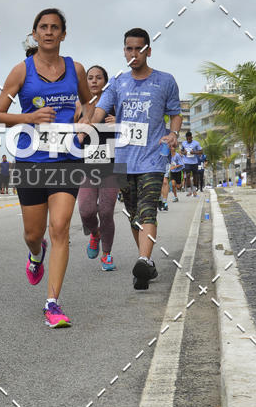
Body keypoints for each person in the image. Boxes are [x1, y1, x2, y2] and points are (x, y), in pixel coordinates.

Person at [0, 7, 93, 327]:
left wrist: (83, 123)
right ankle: (36, 254)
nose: (48, 32)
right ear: (34, 34)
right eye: (43, 27)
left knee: (61, 227)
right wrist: (29, 118)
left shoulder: (76, 69)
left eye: (55, 27)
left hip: (67, 158)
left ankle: (53, 303)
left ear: (63, 34)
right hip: (31, 159)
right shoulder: (21, 72)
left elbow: (89, 102)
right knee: (33, 233)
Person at [91, 28, 182, 290]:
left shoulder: (165, 81)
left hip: (153, 159)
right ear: (124, 51)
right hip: (123, 160)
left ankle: (143, 258)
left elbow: (175, 114)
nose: (133, 54)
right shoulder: (117, 83)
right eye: (129, 49)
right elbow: (99, 113)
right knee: (133, 215)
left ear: (148, 51)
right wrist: (84, 127)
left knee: (147, 209)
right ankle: (145, 264)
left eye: (138, 49)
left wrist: (173, 133)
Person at [76, 65, 118, 271]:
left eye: (98, 78)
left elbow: (131, 127)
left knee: (107, 211)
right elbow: (67, 130)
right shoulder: (79, 105)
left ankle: (107, 254)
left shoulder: (114, 104)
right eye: (90, 78)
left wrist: (118, 124)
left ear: (105, 81)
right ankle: (95, 233)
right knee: (86, 210)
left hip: (111, 164)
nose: (93, 81)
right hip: (87, 165)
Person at [181, 131, 202, 197]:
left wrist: (194, 152)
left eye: (189, 139)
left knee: (195, 177)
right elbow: (182, 150)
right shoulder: (183, 143)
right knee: (187, 175)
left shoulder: (196, 143)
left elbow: (201, 151)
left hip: (194, 162)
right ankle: (189, 191)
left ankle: (194, 191)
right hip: (186, 162)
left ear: (192, 137)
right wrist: (183, 152)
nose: (188, 140)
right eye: (187, 139)